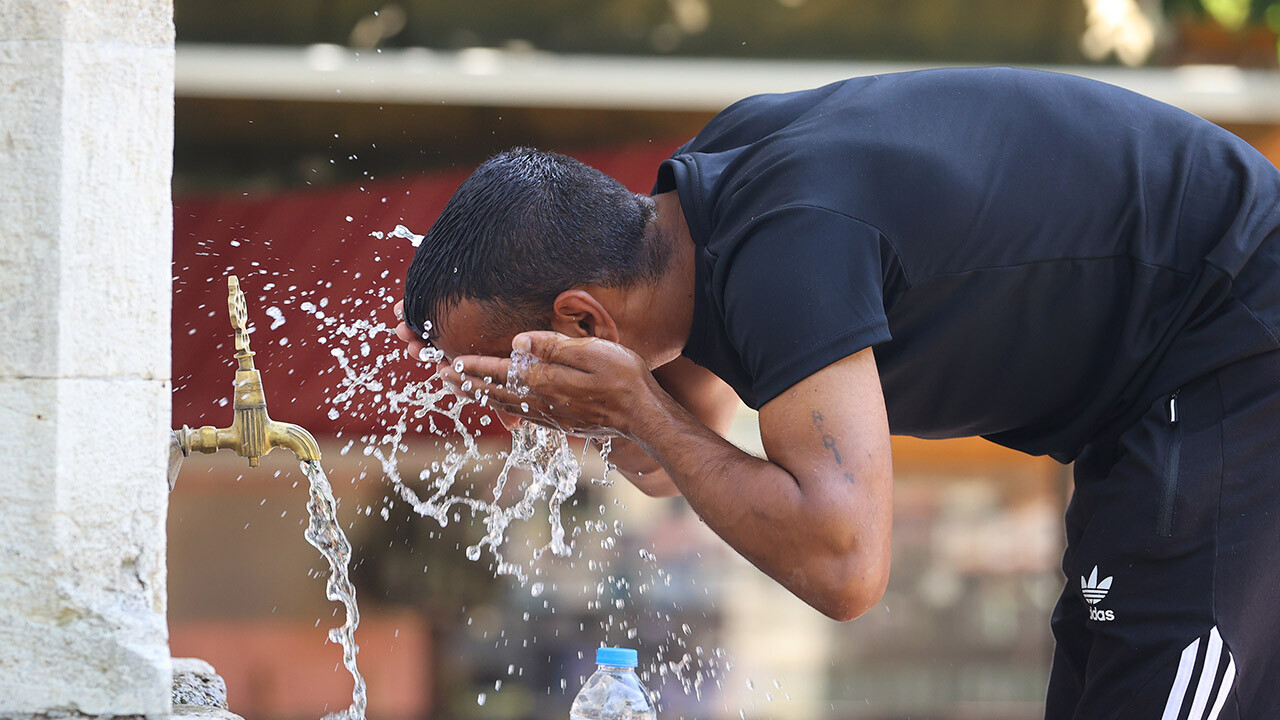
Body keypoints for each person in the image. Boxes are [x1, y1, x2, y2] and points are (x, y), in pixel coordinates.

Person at [393, 67, 1280, 719]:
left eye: (513, 375)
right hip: (1149, 384)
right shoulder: (697, 216)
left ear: (583, 322)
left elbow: (846, 563)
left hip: (1230, 322)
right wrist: (629, 409)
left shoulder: (786, 250)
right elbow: (678, 447)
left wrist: (630, 405)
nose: (519, 405)